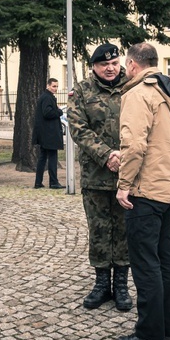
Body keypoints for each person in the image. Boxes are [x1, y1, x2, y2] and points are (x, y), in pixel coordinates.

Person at [115, 42, 170, 340]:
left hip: (146, 190)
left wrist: (124, 184)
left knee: (146, 265)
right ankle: (167, 328)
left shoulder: (138, 93)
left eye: (124, 65)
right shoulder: (167, 89)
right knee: (166, 262)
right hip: (169, 187)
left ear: (132, 65)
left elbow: (134, 146)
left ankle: (149, 335)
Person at [67, 43, 133, 312]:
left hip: (127, 175)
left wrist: (124, 158)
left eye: (114, 63)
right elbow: (77, 128)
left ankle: (121, 286)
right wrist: (107, 155)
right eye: (104, 64)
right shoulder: (82, 90)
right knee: (99, 230)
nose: (110, 68)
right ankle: (101, 284)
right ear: (93, 66)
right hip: (96, 174)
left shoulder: (131, 87)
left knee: (124, 230)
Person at [32, 78, 64, 189]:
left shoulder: (45, 97)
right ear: (48, 86)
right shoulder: (47, 97)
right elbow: (47, 113)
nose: (55, 88)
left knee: (43, 158)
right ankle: (53, 182)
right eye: (53, 86)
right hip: (49, 133)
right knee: (52, 157)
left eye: (56, 86)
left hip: (45, 133)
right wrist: (59, 111)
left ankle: (38, 182)